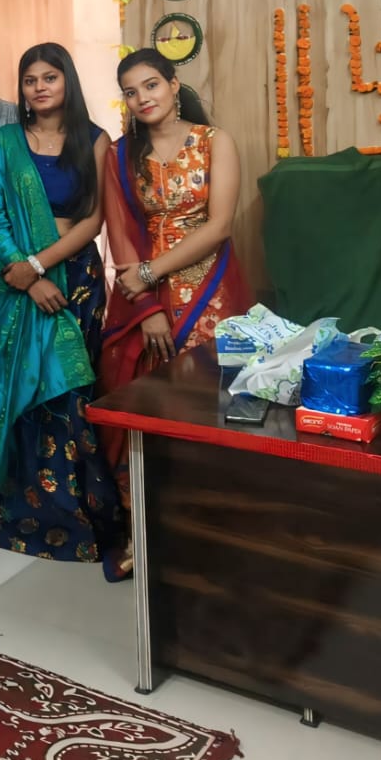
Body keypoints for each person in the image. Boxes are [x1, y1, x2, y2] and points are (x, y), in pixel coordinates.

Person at [0, 44, 125, 576]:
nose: (39, 87)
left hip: (73, 283)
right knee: (10, 387)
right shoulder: (7, 141)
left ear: (67, 82)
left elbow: (94, 221)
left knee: (66, 393)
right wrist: (22, 273)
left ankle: (69, 515)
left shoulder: (95, 140)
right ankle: (11, 509)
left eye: (50, 77)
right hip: (14, 283)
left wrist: (40, 267)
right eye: (30, 79)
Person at [99, 49, 253, 530]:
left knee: (213, 404)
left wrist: (149, 273)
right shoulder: (120, 155)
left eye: (151, 85)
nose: (142, 98)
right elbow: (120, 237)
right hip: (147, 303)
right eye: (130, 92)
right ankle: (153, 528)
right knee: (154, 408)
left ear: (173, 83)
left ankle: (215, 522)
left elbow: (219, 226)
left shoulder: (214, 142)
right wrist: (146, 306)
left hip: (212, 291)